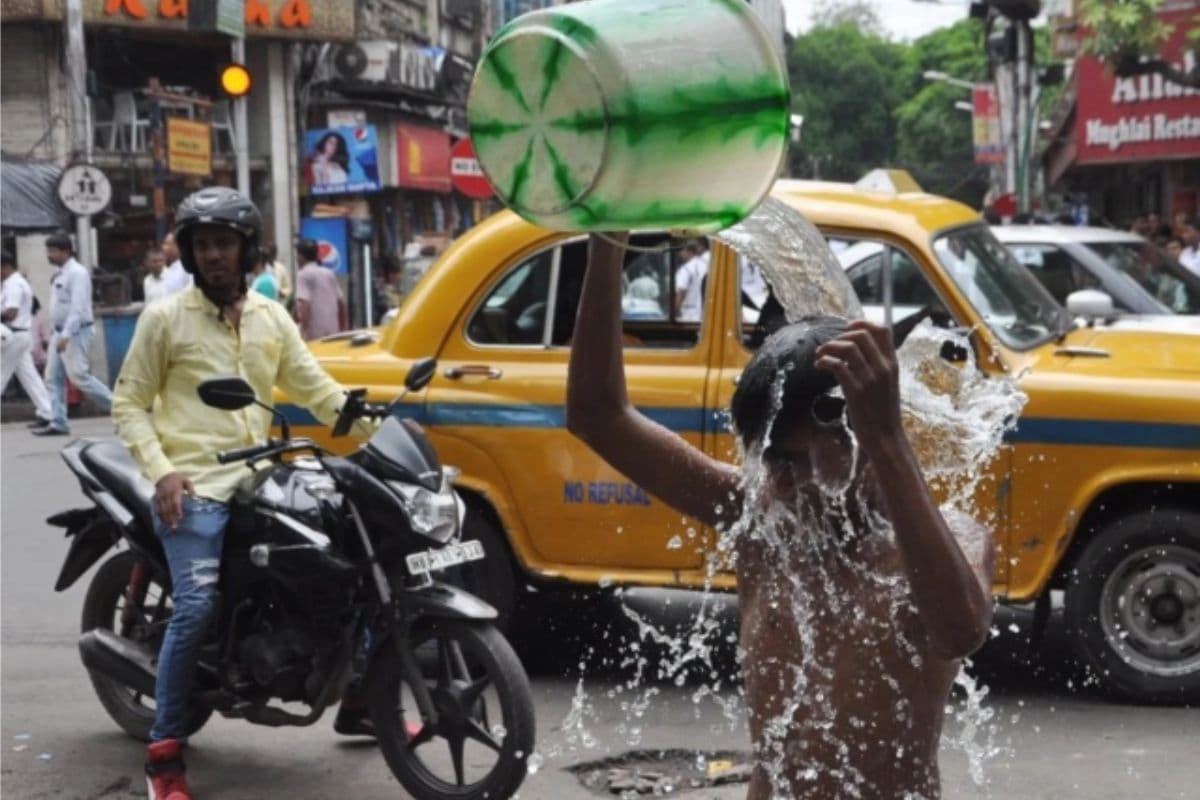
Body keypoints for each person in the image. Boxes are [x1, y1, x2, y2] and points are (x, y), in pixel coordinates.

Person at [565, 234, 992, 800]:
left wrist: (888, 436)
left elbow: (959, 628)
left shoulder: (951, 540)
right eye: (768, 461)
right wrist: (606, 250)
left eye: (791, 460)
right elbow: (598, 415)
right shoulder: (764, 526)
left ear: (857, 441)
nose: (776, 482)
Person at [111, 187, 376, 800]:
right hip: (195, 484)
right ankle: (165, 755)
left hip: (261, 475)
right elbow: (127, 402)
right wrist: (162, 472)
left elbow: (315, 388)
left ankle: (361, 698)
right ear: (189, 254)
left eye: (224, 243)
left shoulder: (270, 316)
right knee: (196, 607)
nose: (214, 256)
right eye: (202, 245)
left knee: (353, 560)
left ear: (246, 249)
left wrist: (375, 427)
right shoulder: (165, 319)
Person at [36, 233, 113, 436]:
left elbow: (78, 307)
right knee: (52, 378)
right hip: (58, 332)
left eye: (53, 251)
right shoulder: (59, 274)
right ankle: (58, 421)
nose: (49, 255)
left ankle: (121, 410)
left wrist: (67, 335)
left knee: (79, 376)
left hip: (75, 332)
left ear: (66, 252)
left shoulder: (77, 273)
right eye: (48, 251)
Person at [1, 249, 54, 426]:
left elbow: (11, 313)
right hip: (21, 335)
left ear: (4, 267)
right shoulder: (17, 282)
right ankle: (47, 412)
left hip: (14, 334)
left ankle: (48, 412)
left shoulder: (13, 284)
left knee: (2, 373)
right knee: (30, 377)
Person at [293, 239, 346, 340]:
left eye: (297, 255)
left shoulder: (303, 275)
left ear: (301, 256)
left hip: (314, 337)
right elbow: (341, 304)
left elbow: (305, 305)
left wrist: (303, 333)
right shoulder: (329, 273)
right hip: (334, 334)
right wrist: (343, 329)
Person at [674, 238, 709, 322]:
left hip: (689, 317)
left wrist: (674, 311)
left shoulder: (687, 268)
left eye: (681, 251)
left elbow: (681, 292)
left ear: (689, 251)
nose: (680, 254)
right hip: (708, 315)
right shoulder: (710, 265)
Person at [160, 232, 193, 296]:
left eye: (166, 244)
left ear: (177, 246)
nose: (163, 247)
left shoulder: (186, 269)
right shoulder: (164, 269)